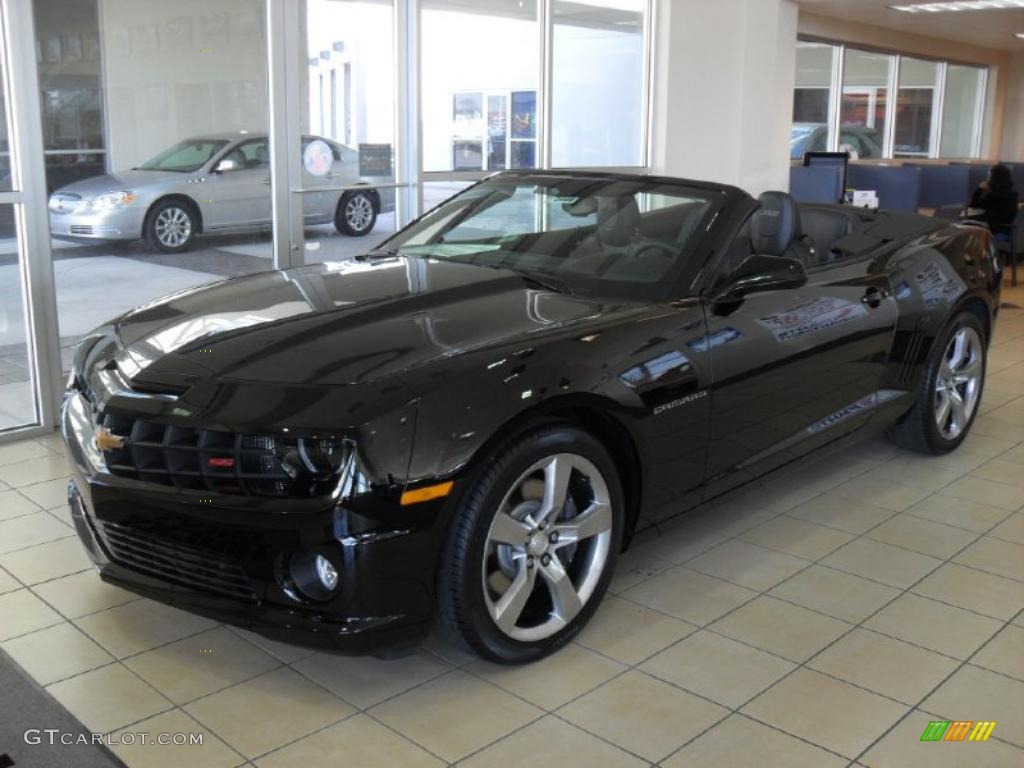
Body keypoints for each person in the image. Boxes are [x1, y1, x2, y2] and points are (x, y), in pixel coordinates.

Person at [967, 163, 1019, 232]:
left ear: (994, 179)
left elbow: (973, 205)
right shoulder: (1013, 194)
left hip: (992, 228)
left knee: (964, 223)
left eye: (989, 177)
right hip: (1004, 228)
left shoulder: (993, 196)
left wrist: (979, 189)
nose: (987, 179)